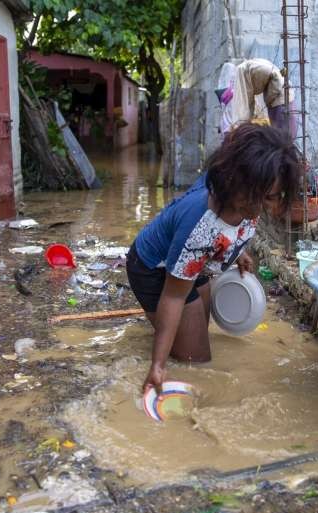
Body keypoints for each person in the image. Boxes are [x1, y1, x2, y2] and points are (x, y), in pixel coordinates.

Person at [126, 124, 302, 394]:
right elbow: (173, 296)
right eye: (260, 197)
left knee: (199, 333)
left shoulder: (241, 190)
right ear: (233, 180)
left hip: (190, 263)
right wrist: (157, 367)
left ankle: (172, 337)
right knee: (196, 362)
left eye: (272, 197)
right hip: (153, 268)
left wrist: (236, 252)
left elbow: (228, 231)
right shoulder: (200, 228)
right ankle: (165, 353)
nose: (264, 207)